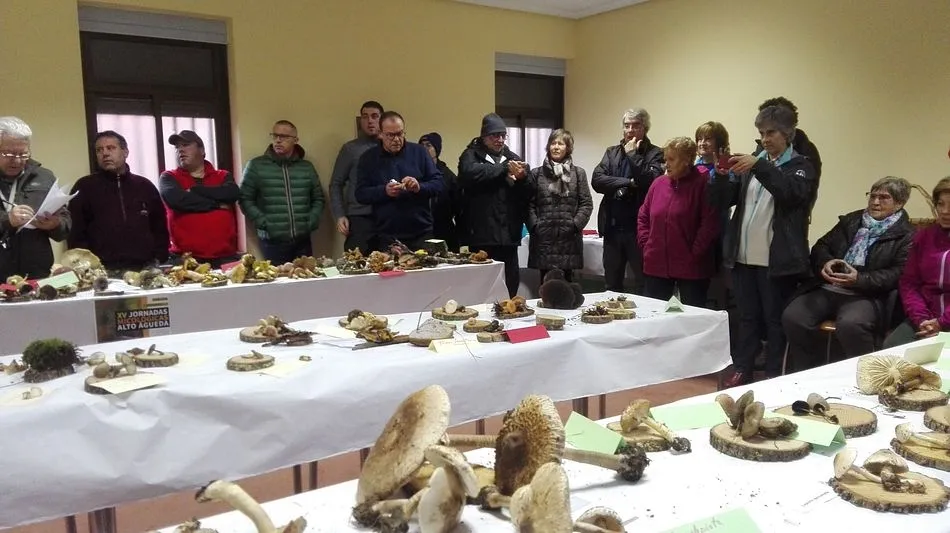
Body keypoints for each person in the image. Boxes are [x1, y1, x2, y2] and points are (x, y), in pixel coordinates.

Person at [710, 105, 817, 386]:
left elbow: (790, 194)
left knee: (774, 320)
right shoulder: (755, 163)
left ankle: (773, 374)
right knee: (747, 317)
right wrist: (720, 177)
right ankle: (743, 368)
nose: (765, 139)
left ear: (787, 134)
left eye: (771, 133)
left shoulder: (801, 166)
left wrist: (759, 166)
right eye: (761, 133)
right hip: (743, 256)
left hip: (776, 260)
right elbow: (724, 201)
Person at [783, 177, 914, 367]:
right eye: (872, 196)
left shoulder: (907, 234)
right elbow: (821, 246)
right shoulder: (852, 220)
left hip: (867, 294)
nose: (875, 202)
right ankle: (809, 370)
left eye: (884, 198)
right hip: (830, 287)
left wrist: (859, 279)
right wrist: (826, 262)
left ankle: (865, 373)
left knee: (851, 324)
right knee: (794, 316)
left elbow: (898, 274)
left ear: (899, 203)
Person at [68, 131, 169, 272]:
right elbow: (76, 232)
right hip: (101, 270)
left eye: (111, 148)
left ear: (125, 152)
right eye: (99, 150)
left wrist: (159, 257)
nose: (105, 154)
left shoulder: (145, 186)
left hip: (145, 268)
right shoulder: (84, 187)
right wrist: (85, 266)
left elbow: (160, 227)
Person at [637, 137, 719, 307]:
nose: (666, 164)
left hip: (691, 268)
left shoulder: (703, 184)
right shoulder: (658, 184)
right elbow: (643, 216)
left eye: (671, 159)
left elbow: (709, 224)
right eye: (665, 159)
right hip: (656, 265)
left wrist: (694, 253)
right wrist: (646, 245)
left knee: (690, 316)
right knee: (654, 314)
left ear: (687, 160)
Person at [591, 108, 664, 294]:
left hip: (639, 230)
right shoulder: (612, 152)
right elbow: (597, 180)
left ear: (645, 128)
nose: (630, 130)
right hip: (613, 228)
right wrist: (628, 182)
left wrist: (633, 155)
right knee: (611, 285)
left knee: (644, 283)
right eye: (626, 126)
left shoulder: (655, 153)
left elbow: (649, 181)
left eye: (635, 126)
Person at [457, 113, 530, 298]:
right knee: (482, 283)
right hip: (481, 233)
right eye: (494, 135)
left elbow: (528, 190)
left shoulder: (512, 158)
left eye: (503, 135)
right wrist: (503, 169)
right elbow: (470, 173)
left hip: (508, 234)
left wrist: (523, 177)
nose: (500, 140)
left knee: (510, 280)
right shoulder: (470, 155)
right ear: (484, 136)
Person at [355, 112, 443, 251]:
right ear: (381, 134)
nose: (396, 139)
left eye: (400, 133)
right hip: (386, 235)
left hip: (421, 232)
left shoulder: (420, 152)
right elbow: (360, 194)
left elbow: (438, 183)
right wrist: (384, 191)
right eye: (390, 135)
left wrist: (419, 187)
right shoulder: (368, 158)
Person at [240, 120, 325, 264]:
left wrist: (311, 220)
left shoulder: (306, 167)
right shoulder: (256, 166)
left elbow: (318, 198)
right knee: (277, 278)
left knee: (306, 277)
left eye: (284, 136)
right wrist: (263, 222)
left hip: (302, 240)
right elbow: (244, 199)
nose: (278, 140)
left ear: (295, 140)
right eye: (275, 135)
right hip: (272, 241)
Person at [0, 116, 71, 280]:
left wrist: (55, 224)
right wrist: (7, 221)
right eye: (9, 154)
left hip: (37, 276)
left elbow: (64, 227)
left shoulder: (44, 177)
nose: (17, 160)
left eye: (23, 154)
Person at [883, 178, 950, 348]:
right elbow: (909, 283)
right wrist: (921, 319)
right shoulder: (924, 236)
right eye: (940, 204)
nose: (944, 211)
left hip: (946, 319)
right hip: (925, 317)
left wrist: (942, 323)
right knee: (893, 347)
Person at [159, 130, 240, 268]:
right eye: (177, 147)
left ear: (202, 150)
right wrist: (217, 205)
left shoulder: (222, 175)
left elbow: (232, 193)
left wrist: (196, 190)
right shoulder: (169, 177)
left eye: (186, 145)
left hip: (226, 258)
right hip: (186, 259)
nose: (180, 150)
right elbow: (177, 200)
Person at [526, 129, 593, 285]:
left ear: (568, 148)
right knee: (545, 286)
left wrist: (575, 225)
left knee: (567, 286)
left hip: (568, 238)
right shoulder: (536, 173)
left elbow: (586, 204)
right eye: (553, 143)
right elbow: (529, 204)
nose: (556, 147)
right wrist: (535, 226)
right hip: (543, 238)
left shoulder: (578, 173)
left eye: (560, 144)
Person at [330, 101, 383, 254]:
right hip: (359, 217)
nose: (370, 121)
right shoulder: (350, 149)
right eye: (365, 117)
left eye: (374, 116)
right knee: (357, 262)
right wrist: (340, 215)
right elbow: (336, 184)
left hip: (386, 217)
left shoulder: (390, 147)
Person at [419, 132, 462, 251]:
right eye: (421, 145)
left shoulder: (448, 176)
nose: (424, 148)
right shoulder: (415, 172)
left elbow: (458, 206)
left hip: (444, 230)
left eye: (428, 145)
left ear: (436, 149)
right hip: (420, 231)